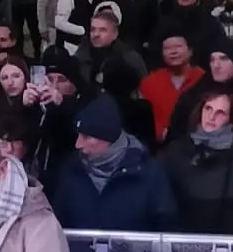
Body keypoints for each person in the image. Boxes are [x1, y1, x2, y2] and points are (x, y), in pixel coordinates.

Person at [52, 96, 176, 232]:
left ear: (108, 138)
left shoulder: (149, 173)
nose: (78, 144)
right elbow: (57, 223)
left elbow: (165, 227)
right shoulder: (71, 170)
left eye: (86, 137)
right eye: (78, 136)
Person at [160, 87, 233, 235]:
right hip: (186, 238)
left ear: (231, 118)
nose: (211, 117)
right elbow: (165, 203)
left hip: (231, 238)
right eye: (208, 108)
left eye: (220, 113)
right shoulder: (176, 151)